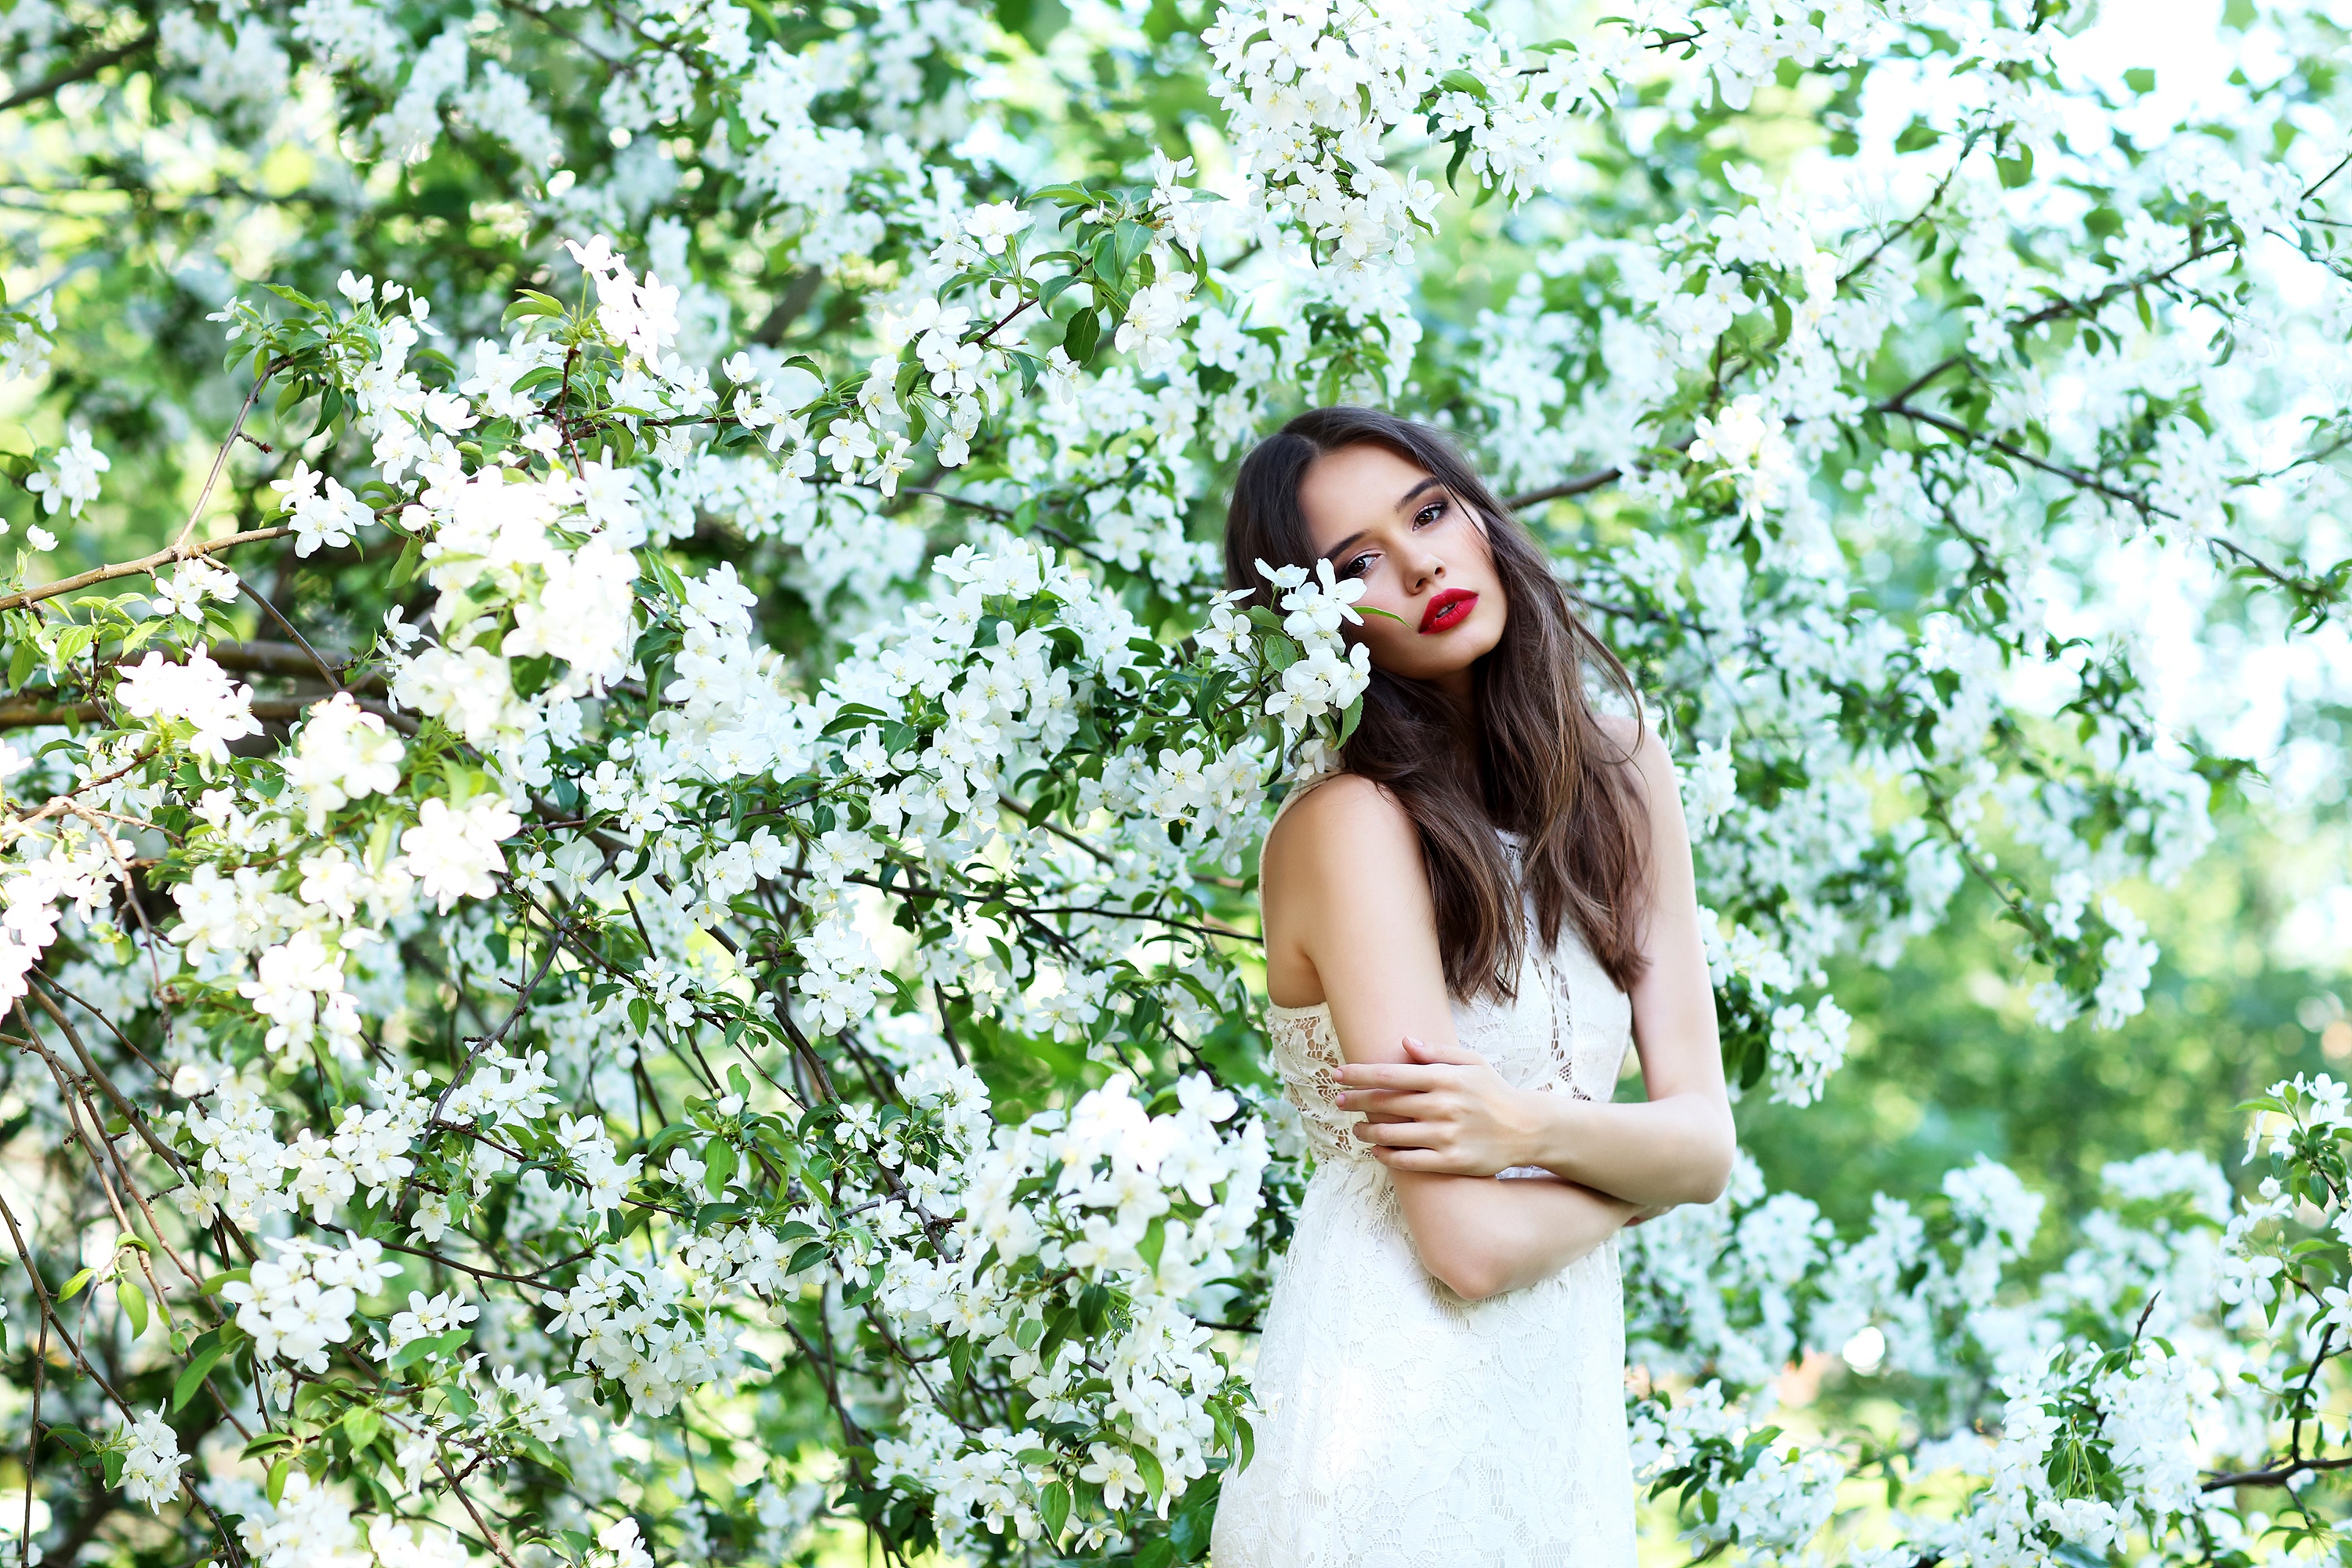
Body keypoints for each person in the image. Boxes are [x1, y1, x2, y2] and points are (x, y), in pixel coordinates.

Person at [1208, 408, 1737, 1566]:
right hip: (1388, 1403)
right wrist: (1650, 1169)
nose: (1422, 565)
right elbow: (1470, 1246)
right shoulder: (1351, 827)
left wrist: (1530, 1128)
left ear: (1478, 516)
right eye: (1358, 564)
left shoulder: (1621, 773)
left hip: (1562, 1408)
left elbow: (1710, 1141)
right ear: (1318, 618)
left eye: (1430, 513)